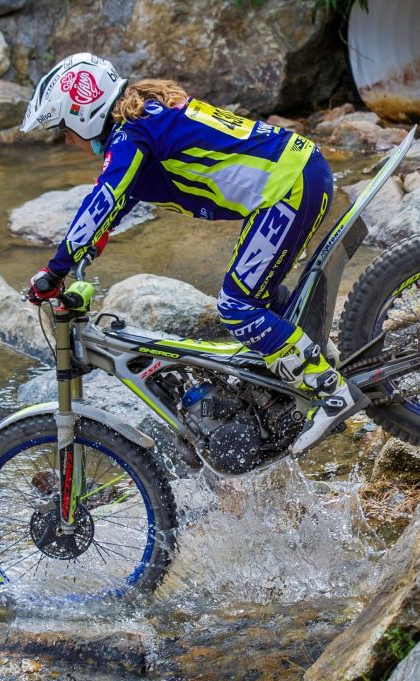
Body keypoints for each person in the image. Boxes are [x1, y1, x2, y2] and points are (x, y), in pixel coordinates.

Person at [20, 52, 367, 454]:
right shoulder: (145, 117)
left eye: (65, 129)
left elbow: (104, 199)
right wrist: (92, 245)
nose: (67, 140)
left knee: (237, 306)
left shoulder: (131, 135)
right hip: (297, 174)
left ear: (83, 114)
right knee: (257, 293)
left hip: (288, 188)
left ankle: (331, 393)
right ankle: (321, 356)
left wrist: (55, 270)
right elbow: (121, 199)